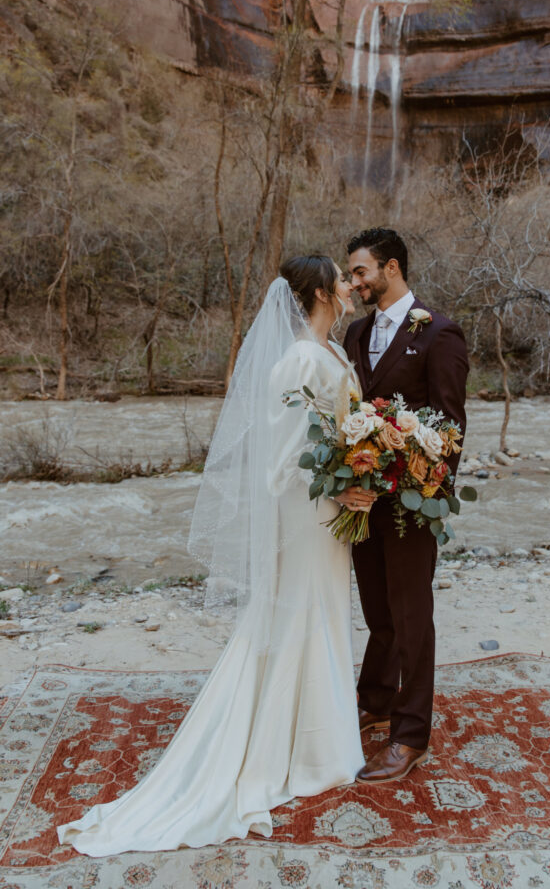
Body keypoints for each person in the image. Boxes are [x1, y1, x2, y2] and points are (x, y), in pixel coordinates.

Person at [57, 255, 366, 855]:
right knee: (299, 614)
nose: (353, 287)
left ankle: (319, 740)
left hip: (331, 514)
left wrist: (364, 467)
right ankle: (302, 749)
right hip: (309, 514)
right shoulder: (300, 359)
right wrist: (342, 478)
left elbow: (339, 431)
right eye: (343, 278)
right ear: (324, 292)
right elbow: (285, 458)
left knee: (323, 613)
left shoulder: (331, 353)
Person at [343, 228, 468, 784]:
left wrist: (419, 491)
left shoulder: (439, 333)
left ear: (390, 268)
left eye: (360, 271)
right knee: (377, 609)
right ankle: (376, 698)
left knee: (413, 617)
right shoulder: (354, 332)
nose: (354, 282)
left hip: (413, 506)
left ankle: (411, 734)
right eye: (352, 274)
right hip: (362, 499)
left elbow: (450, 427)